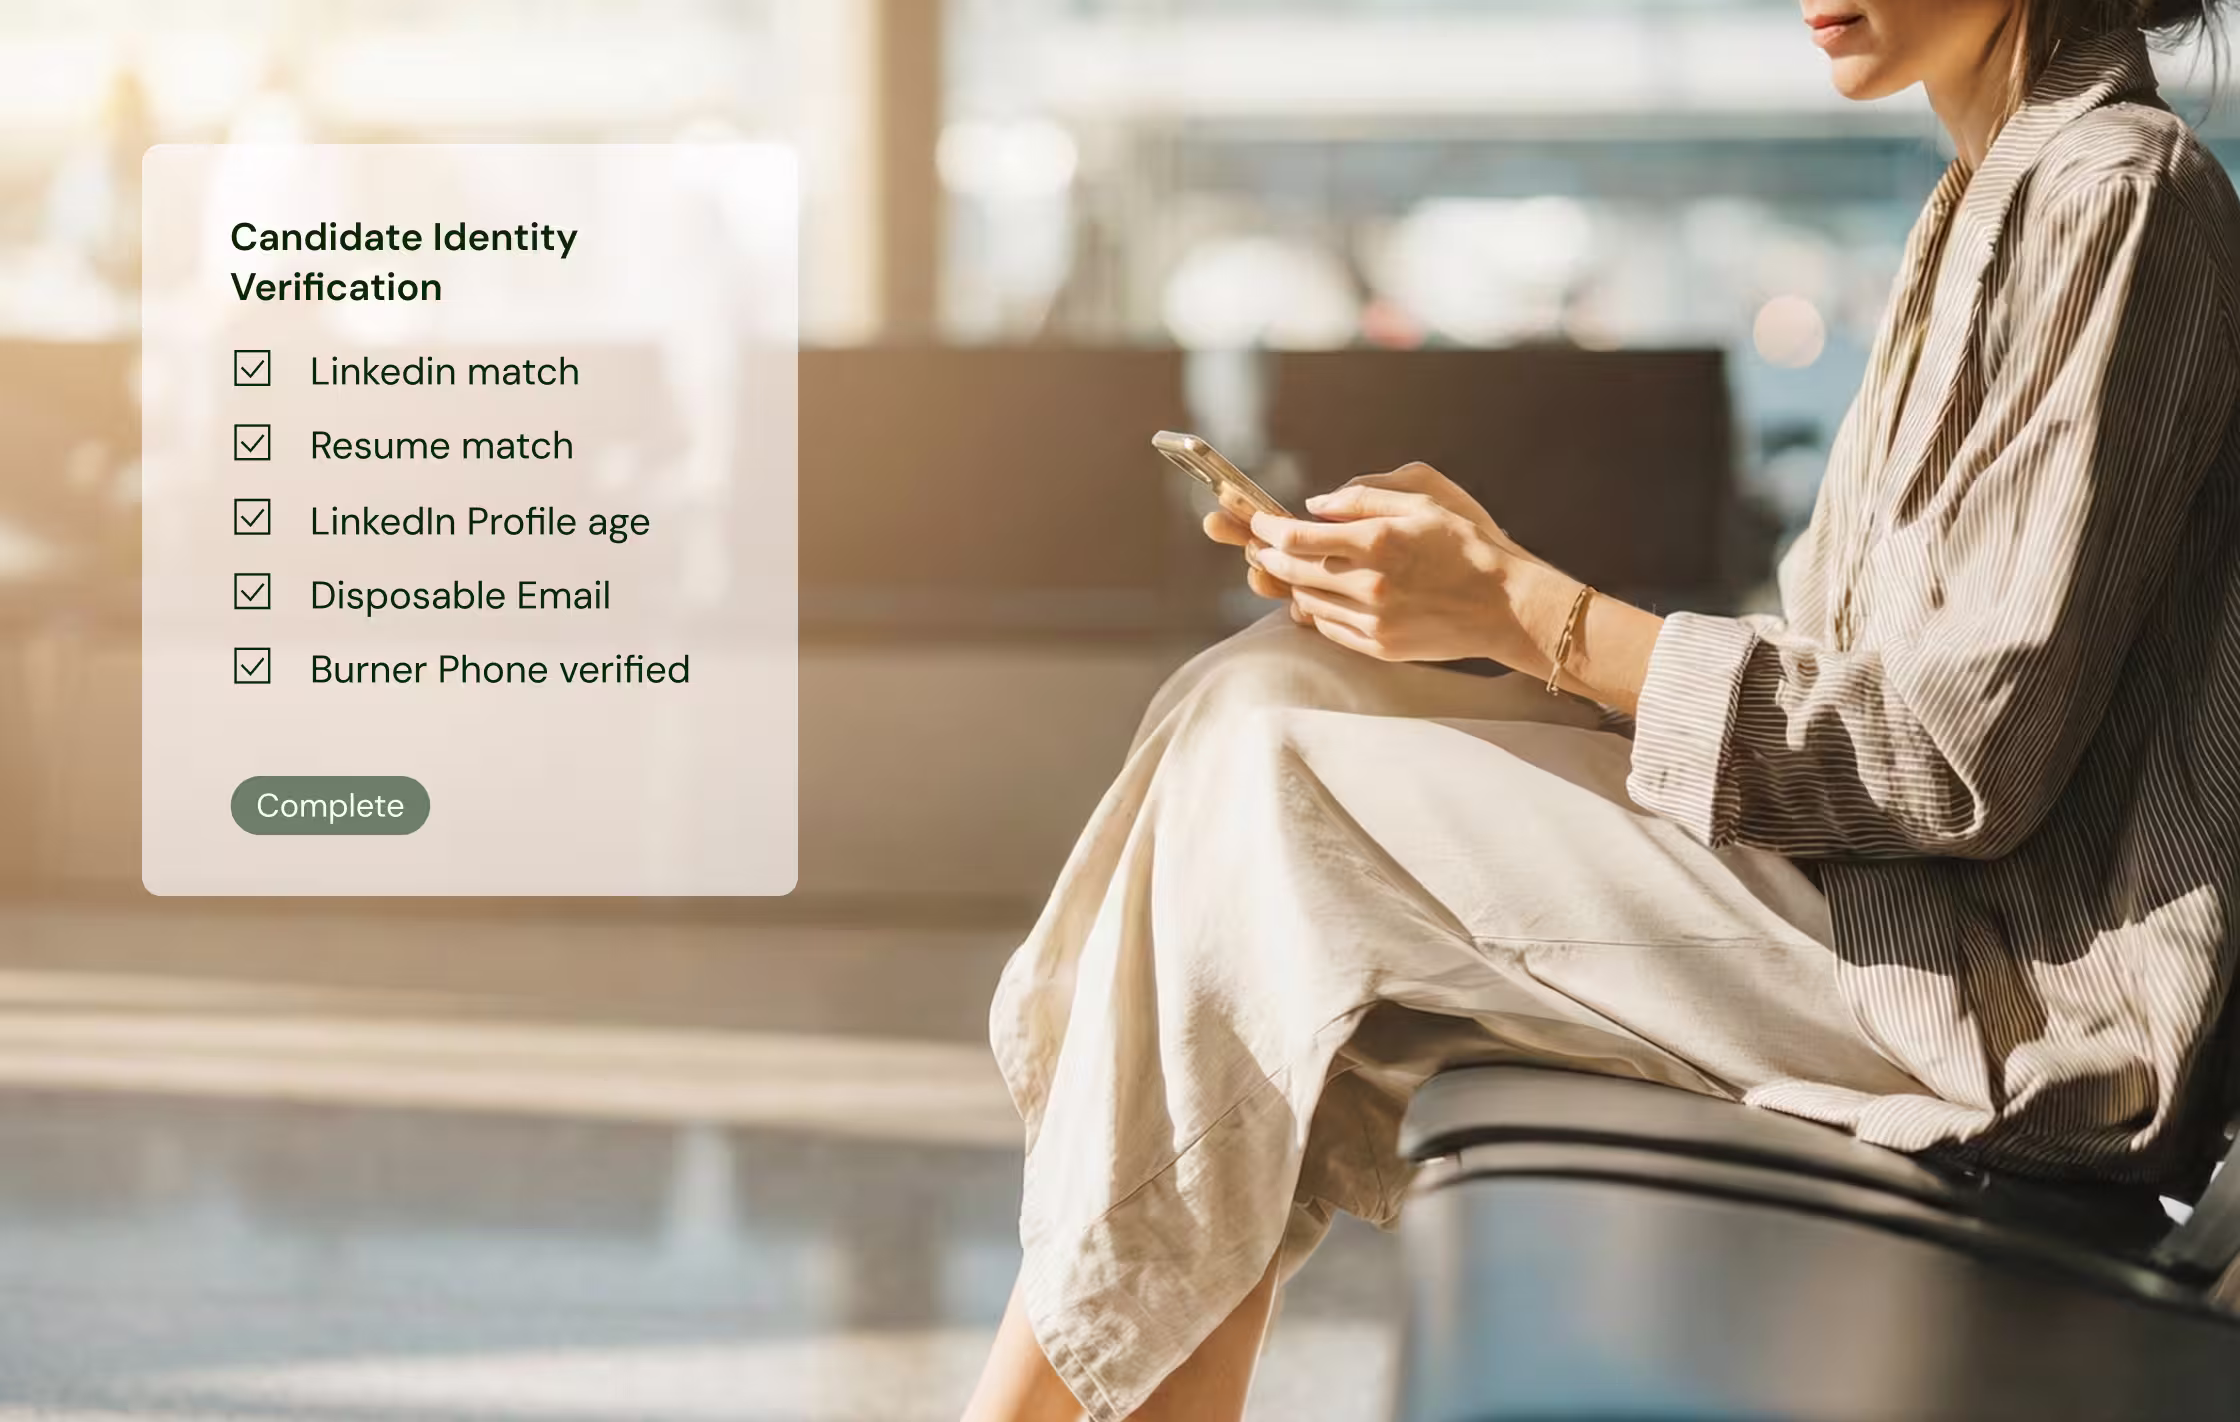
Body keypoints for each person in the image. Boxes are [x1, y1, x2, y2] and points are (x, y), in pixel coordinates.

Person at [965, 2, 2240, 1418]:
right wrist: (1480, 628)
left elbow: (1946, 758)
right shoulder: (1990, 195)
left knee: (1271, 780)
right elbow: (1839, 666)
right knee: (1258, 691)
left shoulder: (2117, 197)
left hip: (1984, 995)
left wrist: (1523, 609)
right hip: (1887, 907)